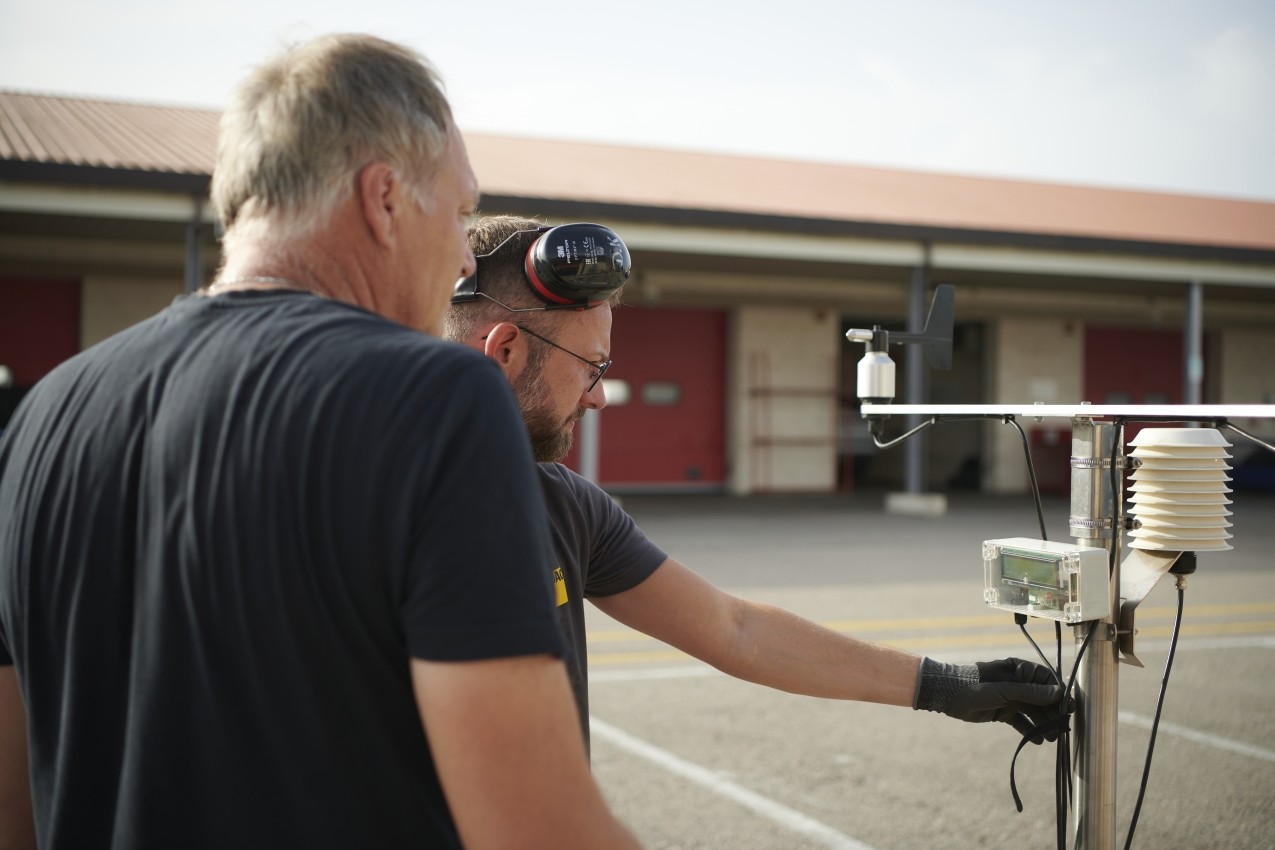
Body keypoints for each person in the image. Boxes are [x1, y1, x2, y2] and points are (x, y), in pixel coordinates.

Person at [0, 38, 639, 850]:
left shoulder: (43, 414)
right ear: (382, 199)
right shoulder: (438, 398)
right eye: (456, 214)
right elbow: (540, 829)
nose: (455, 262)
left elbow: (13, 804)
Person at [445, 214, 1067, 749]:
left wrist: (948, 686)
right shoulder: (380, 507)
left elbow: (734, 630)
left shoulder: (568, 508)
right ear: (504, 352)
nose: (602, 396)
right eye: (593, 366)